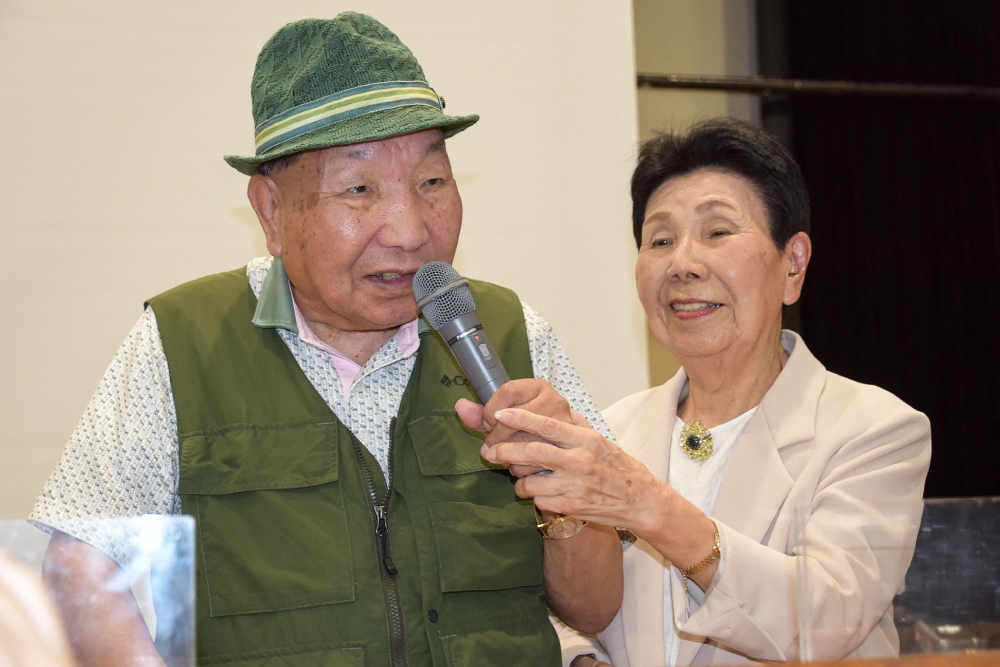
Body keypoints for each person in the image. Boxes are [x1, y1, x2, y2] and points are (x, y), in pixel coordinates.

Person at [29, 12, 622, 667]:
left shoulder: (512, 333)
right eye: (359, 189)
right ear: (272, 213)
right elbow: (79, 555)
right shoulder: (181, 343)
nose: (409, 228)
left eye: (431, 182)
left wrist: (563, 496)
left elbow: (594, 607)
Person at [472, 118, 932, 666]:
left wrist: (650, 506)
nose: (682, 264)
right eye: (660, 240)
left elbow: (826, 620)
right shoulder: (613, 430)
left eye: (717, 233)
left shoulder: (873, 429)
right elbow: (561, 606)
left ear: (793, 263)